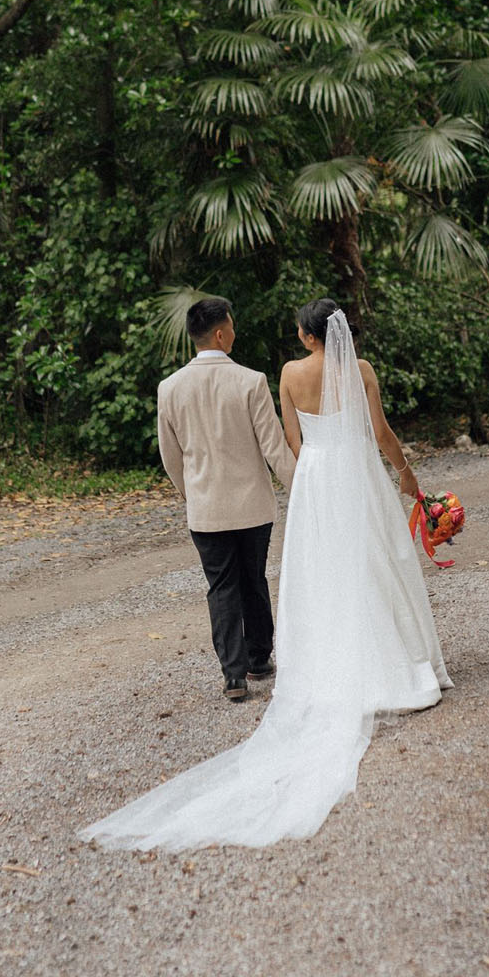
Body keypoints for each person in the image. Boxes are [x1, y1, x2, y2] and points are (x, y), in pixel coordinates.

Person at [80, 299, 452, 852]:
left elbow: (271, 443)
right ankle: (334, 655)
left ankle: (258, 668)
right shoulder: (340, 372)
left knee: (269, 580)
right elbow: (356, 436)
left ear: (306, 336)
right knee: (356, 565)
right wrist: (404, 481)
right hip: (317, 485)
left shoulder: (263, 377)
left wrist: (301, 487)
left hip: (271, 490)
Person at [156, 295, 297, 701]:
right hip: (253, 507)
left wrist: (191, 492)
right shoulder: (250, 381)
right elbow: (273, 447)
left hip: (206, 510)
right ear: (220, 334)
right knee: (253, 579)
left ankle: (233, 676)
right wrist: (299, 487)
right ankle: (259, 658)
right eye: (231, 326)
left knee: (221, 587)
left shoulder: (170, 388)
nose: (234, 331)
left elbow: (170, 455)